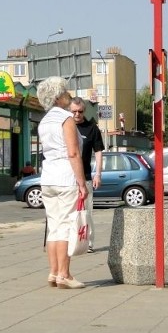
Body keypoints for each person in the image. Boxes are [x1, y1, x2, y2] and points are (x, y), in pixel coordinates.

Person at [37, 76, 88, 290]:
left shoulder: (44, 121)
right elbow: (73, 153)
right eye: (66, 92)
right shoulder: (65, 119)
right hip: (66, 178)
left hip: (47, 178)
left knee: (54, 226)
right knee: (67, 226)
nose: (69, 95)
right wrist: (82, 183)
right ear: (58, 96)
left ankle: (53, 272)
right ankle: (64, 274)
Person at [69, 97, 105, 253]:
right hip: (68, 178)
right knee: (69, 211)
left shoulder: (92, 128)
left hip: (86, 177)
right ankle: (71, 240)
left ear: (84, 111)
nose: (77, 114)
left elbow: (98, 152)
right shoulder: (66, 126)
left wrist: (98, 174)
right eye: (74, 111)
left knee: (86, 211)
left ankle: (88, 242)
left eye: (80, 111)